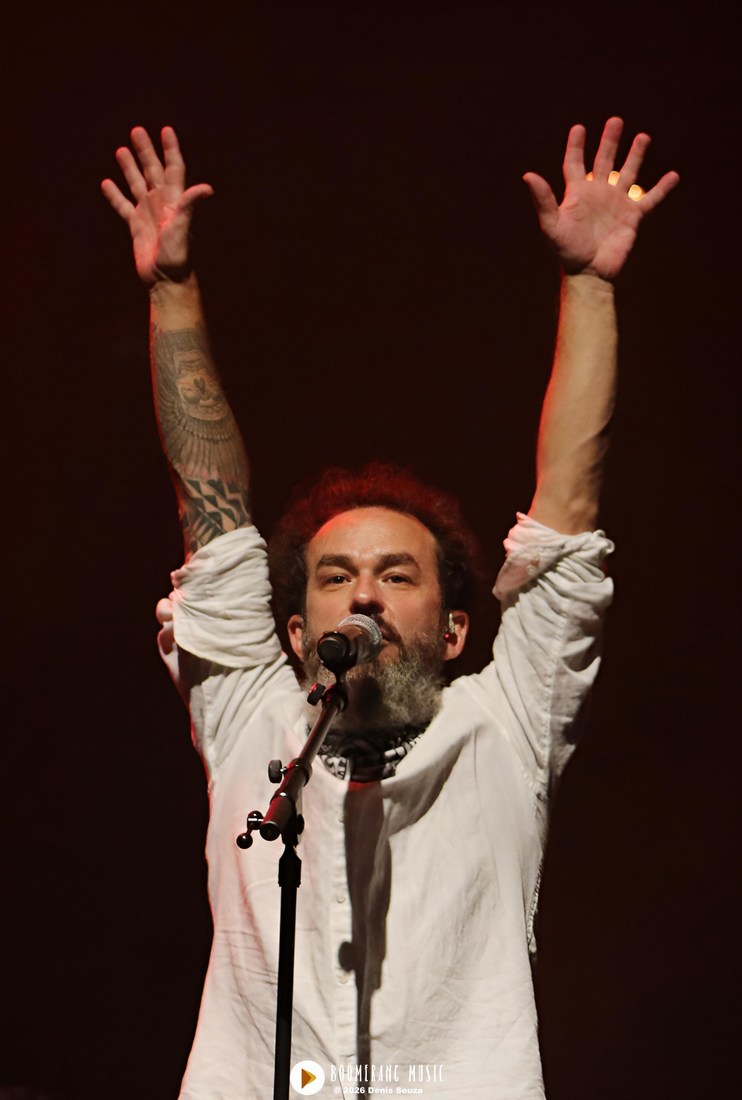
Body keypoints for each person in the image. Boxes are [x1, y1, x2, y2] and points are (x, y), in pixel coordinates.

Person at [102, 118, 678, 1099]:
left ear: (455, 631)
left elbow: (567, 514)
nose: (364, 590)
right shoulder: (249, 717)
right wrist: (171, 286)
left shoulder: (504, 725)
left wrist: (588, 282)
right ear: (293, 632)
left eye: (398, 575)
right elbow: (212, 505)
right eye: (334, 576)